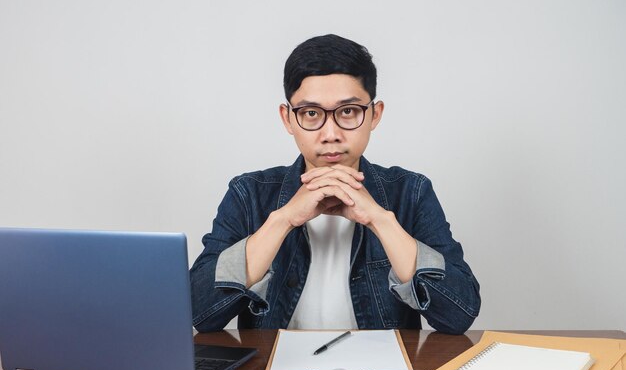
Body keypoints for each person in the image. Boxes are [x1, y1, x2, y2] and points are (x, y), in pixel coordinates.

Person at [190, 34, 480, 334]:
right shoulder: (249, 194)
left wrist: (380, 220)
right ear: (288, 119)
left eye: (348, 112)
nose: (331, 134)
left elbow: (459, 315)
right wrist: (283, 219)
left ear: (374, 115)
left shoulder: (411, 192)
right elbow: (202, 313)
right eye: (311, 113)